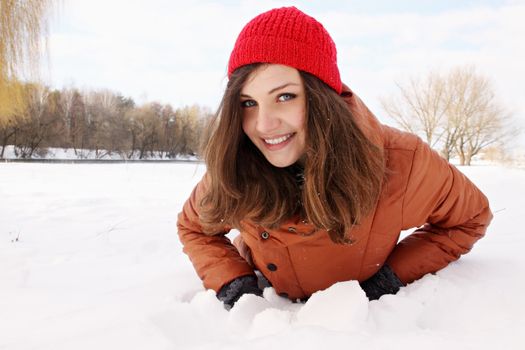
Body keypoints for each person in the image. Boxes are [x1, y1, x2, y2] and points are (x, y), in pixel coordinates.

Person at [177, 6, 492, 308]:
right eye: (248, 103)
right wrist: (234, 283)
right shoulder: (238, 165)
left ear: (321, 97)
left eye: (284, 96)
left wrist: (391, 277)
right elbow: (194, 229)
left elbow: (469, 218)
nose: (263, 124)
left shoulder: (400, 162)